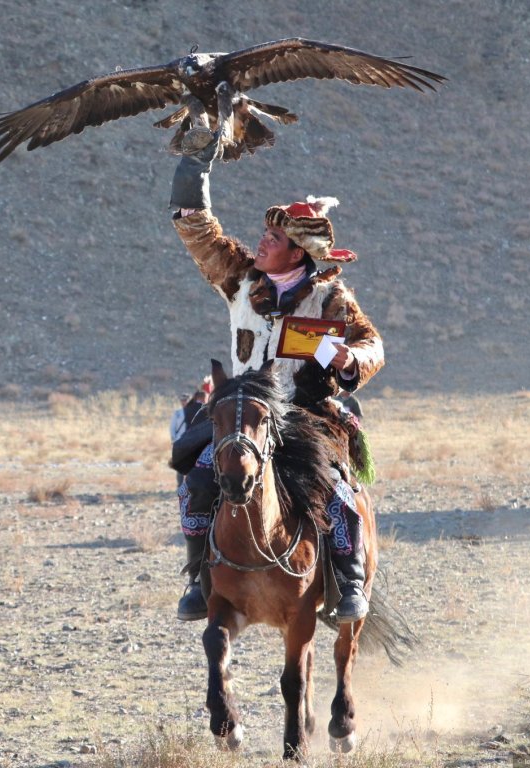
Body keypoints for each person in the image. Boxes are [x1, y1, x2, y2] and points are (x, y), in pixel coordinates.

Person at [169, 118, 384, 624]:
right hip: (242, 407)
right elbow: (198, 230)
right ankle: (201, 578)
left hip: (304, 412)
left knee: (333, 485)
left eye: (272, 238)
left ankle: (349, 580)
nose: (261, 243)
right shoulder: (241, 278)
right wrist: (194, 164)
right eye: (263, 235)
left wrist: (350, 359)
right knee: (199, 477)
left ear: (297, 251)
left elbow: (371, 344)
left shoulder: (331, 297)